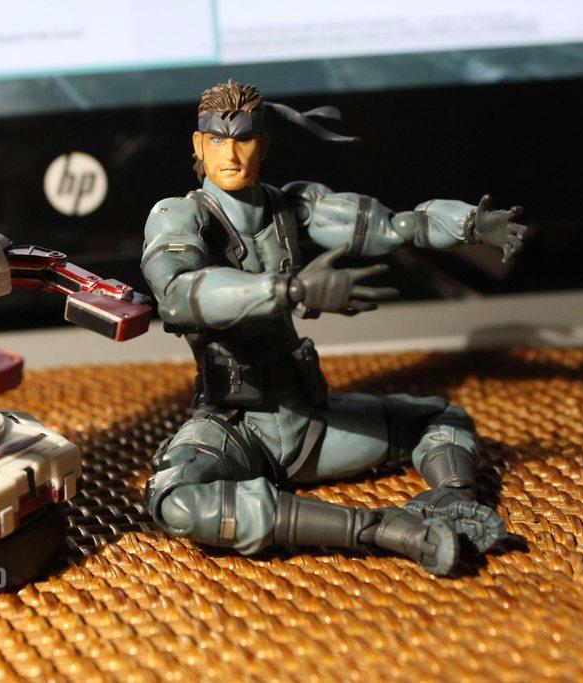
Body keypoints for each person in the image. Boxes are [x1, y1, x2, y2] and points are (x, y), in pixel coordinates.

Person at [141, 80, 527, 574]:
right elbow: (178, 295)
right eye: (217, 140)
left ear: (264, 144)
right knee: (174, 499)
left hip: (307, 420)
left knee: (442, 420)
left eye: (244, 139)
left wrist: (469, 224)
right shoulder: (179, 215)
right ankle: (380, 530)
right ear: (199, 145)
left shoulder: (293, 206)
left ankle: (450, 503)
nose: (230, 155)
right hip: (235, 427)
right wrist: (289, 290)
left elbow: (398, 226)